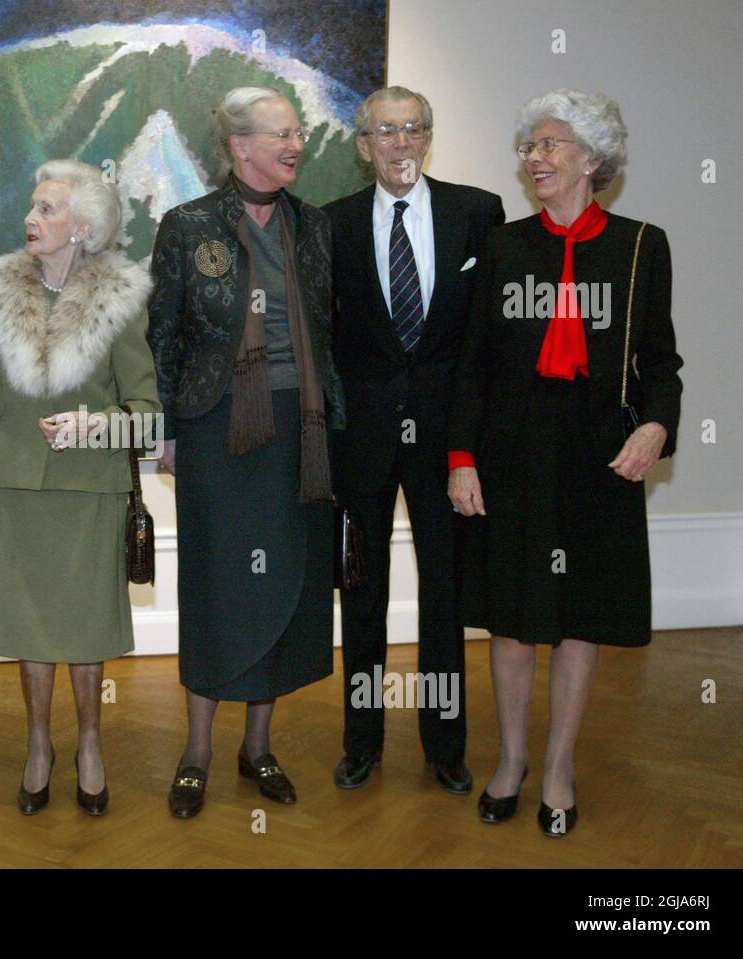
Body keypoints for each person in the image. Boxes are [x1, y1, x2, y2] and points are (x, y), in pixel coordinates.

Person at [448, 89, 683, 836]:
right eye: (530, 147)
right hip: (511, 454)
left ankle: (558, 764)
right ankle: (512, 759)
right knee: (513, 621)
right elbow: (473, 366)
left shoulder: (643, 245)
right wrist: (460, 457)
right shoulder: (504, 246)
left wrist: (657, 425)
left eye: (550, 145)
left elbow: (661, 362)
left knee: (579, 618)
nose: (535, 158)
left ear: (591, 158)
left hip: (598, 458)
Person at [148, 87, 345, 819]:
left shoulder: (316, 226)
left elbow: (329, 332)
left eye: (297, 132)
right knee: (217, 588)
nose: (296, 143)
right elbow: (162, 334)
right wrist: (167, 427)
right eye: (282, 133)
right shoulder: (187, 224)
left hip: (304, 430)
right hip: (217, 428)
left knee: (286, 587)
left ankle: (258, 747)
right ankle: (197, 751)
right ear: (239, 147)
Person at [322, 86, 504, 795]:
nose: (400, 142)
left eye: (413, 128)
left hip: (447, 441)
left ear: (429, 137)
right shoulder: (330, 224)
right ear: (364, 145)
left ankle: (445, 745)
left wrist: (475, 443)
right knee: (361, 597)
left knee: (446, 598)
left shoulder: (477, 212)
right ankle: (362, 741)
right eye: (385, 131)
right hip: (360, 441)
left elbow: (488, 339)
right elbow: (326, 342)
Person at [0, 159, 160, 817]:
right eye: (33, 205)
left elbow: (146, 413)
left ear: (83, 227)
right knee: (31, 629)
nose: (31, 218)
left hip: (90, 491)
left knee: (84, 630)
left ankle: (91, 746)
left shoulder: (119, 301)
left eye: (48, 209)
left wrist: (91, 426)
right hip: (19, 484)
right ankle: (39, 746)